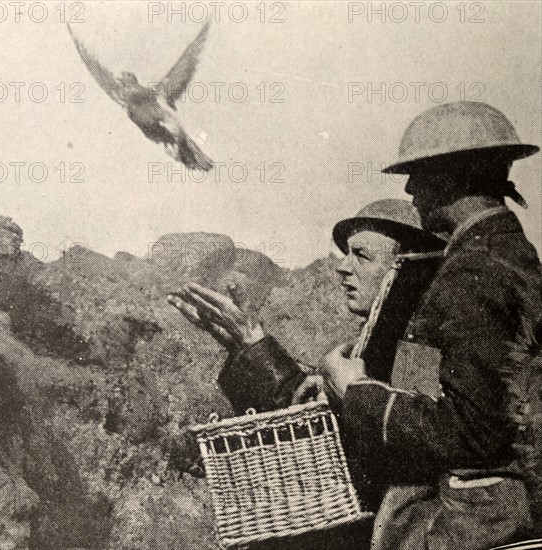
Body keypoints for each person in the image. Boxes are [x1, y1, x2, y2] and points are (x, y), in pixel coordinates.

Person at [168, 198, 445, 549]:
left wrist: (253, 342)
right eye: (347, 253)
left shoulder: (416, 350)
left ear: (402, 268)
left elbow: (342, 446)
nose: (342, 267)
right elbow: (315, 409)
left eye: (362, 255)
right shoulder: (380, 341)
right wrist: (244, 344)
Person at [327, 101, 542, 549]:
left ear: (454, 177)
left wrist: (358, 393)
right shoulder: (510, 253)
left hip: (474, 522)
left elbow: (472, 429)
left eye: (419, 175)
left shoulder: (474, 272)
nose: (409, 188)